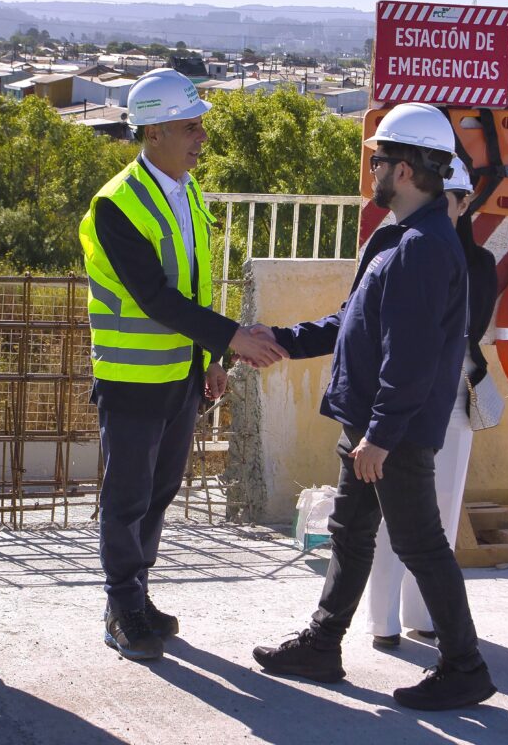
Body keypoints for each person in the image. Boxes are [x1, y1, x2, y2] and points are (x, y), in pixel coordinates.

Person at [250, 102, 496, 711]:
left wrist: (381, 437)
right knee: (351, 533)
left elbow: (410, 358)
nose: (374, 170)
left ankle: (464, 666)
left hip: (394, 436)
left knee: (418, 544)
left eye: (380, 160)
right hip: (371, 426)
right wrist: (283, 340)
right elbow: (352, 322)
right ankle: (323, 644)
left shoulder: (422, 247)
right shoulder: (400, 237)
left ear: (408, 169)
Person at [79, 68, 287, 662]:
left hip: (179, 376)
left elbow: (193, 288)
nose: (201, 136)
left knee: (160, 492)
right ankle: (121, 608)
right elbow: (154, 297)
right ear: (154, 132)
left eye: (199, 126)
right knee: (127, 498)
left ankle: (137, 597)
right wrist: (234, 338)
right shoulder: (116, 205)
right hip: (132, 379)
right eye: (190, 126)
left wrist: (211, 359)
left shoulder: (187, 190)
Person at [363, 156, 498, 650]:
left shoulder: (476, 264)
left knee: (440, 511)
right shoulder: (391, 244)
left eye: (454, 201)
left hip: (452, 393)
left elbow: (468, 327)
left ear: (465, 204)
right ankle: (384, 621)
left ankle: (426, 616)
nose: (445, 208)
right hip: (400, 391)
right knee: (389, 514)